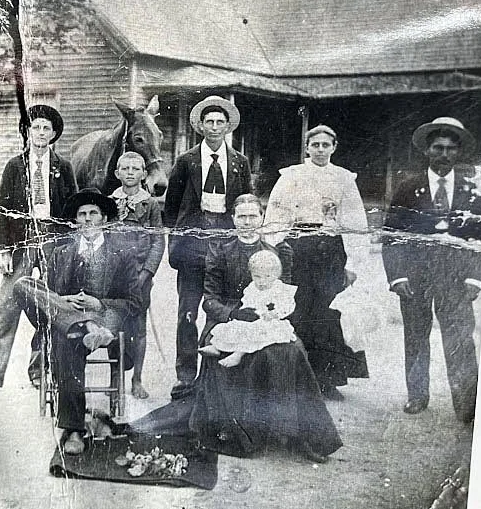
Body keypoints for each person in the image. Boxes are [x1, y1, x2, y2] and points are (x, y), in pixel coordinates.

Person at [130, 193, 340, 465]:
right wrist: (234, 313)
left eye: (253, 216)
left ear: (262, 218)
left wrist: (269, 312)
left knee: (292, 351)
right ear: (233, 219)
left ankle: (304, 434)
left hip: (267, 320)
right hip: (225, 321)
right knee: (235, 350)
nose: (248, 222)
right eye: (242, 216)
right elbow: (210, 300)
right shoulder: (220, 250)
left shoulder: (278, 252)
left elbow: (285, 294)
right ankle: (243, 431)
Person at [12, 188, 141, 456]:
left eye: (94, 213)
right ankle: (73, 428)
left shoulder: (123, 253)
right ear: (75, 221)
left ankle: (72, 427)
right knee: (24, 285)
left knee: (65, 334)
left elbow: (135, 302)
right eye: (82, 215)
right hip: (68, 321)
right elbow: (45, 295)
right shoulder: (61, 253)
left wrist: (99, 304)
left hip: (105, 320)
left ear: (104, 218)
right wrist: (64, 300)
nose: (88, 219)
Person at [382, 117, 481, 423]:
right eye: (438, 147)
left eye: (451, 148)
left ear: (458, 152)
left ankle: (467, 403)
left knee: (459, 339)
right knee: (416, 336)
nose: (444, 154)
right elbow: (391, 235)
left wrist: (475, 277)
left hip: (456, 277)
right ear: (427, 151)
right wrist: (397, 276)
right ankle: (417, 395)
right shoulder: (407, 187)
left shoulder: (473, 190)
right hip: (414, 277)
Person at [0, 105, 78, 398]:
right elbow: (2, 210)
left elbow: (72, 211)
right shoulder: (14, 166)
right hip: (22, 240)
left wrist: (69, 248)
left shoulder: (63, 167)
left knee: (49, 305)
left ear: (54, 134)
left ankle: (39, 370)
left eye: (46, 128)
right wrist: (4, 249)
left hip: (54, 241)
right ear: (27, 132)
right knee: (7, 306)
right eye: (36, 127)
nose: (41, 133)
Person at [263, 124, 369, 400]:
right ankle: (297, 380)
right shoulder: (291, 176)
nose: (320, 150)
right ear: (307, 148)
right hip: (299, 248)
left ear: (334, 147)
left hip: (331, 251)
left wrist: (354, 262)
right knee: (298, 309)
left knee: (328, 311)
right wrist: (272, 250)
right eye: (315, 145)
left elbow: (355, 220)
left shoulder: (345, 179)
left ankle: (328, 379)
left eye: (325, 145)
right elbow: (277, 212)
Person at [163, 96, 252, 398]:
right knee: (188, 313)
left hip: (226, 247)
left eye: (220, 122)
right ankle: (186, 376)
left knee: (225, 309)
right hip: (193, 248)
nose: (214, 127)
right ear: (200, 126)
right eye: (209, 122)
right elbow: (171, 209)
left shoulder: (239, 162)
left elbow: (245, 202)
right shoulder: (186, 161)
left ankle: (218, 377)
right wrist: (178, 244)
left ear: (228, 126)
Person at [108, 151, 164, 398]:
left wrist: (147, 272)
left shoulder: (150, 204)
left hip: (140, 276)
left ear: (144, 174)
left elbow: (157, 241)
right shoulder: (110, 202)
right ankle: (115, 379)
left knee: (138, 327)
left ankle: (137, 380)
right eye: (125, 168)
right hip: (113, 278)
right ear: (117, 173)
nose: (130, 173)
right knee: (114, 326)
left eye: (135, 169)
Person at [197, 249, 296, 368]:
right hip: (253, 319)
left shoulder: (280, 289)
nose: (262, 281)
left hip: (271, 323)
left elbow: (288, 305)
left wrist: (276, 313)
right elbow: (247, 302)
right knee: (233, 327)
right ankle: (216, 346)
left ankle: (238, 354)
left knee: (258, 334)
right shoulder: (252, 288)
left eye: (267, 276)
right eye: (257, 276)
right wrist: (245, 313)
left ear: (276, 274)